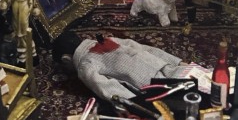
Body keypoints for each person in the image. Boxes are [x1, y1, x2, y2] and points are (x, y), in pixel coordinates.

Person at [52, 31, 189, 103]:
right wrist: (176, 61)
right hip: (157, 64)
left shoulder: (85, 65)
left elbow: (107, 87)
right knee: (186, 77)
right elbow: (142, 48)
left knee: (176, 97)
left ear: (66, 59)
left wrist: (133, 102)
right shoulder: (106, 40)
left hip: (147, 82)